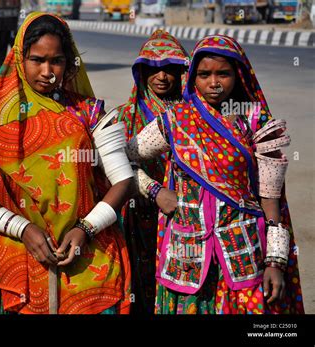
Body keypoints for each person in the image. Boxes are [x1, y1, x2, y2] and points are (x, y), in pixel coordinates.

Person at [0, 12, 133, 314]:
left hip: (84, 254)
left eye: (56, 60)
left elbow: (123, 181)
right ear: (20, 58)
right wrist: (23, 228)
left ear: (69, 63)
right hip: (15, 256)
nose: (47, 71)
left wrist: (86, 229)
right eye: (37, 60)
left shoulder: (89, 113)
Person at [127, 35, 304, 314]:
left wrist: (274, 262)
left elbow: (271, 199)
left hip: (244, 252)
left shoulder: (256, 121)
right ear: (192, 78)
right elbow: (123, 159)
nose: (214, 83)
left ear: (239, 74)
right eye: (204, 74)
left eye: (223, 73)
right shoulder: (175, 121)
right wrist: (155, 191)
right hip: (187, 255)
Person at [115, 30, 189, 313]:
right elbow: (116, 167)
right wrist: (154, 190)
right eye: (153, 69)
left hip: (185, 215)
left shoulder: (193, 113)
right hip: (139, 215)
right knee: (141, 284)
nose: (162, 77)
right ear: (141, 72)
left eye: (169, 69)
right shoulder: (125, 116)